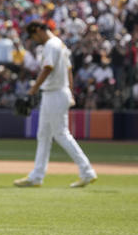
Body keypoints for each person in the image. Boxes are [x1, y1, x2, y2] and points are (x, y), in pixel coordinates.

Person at [14, 21, 98, 188]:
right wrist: (70, 92)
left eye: (33, 35)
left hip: (54, 93)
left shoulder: (50, 45)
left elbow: (47, 68)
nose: (34, 39)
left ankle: (87, 171)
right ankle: (37, 175)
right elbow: (68, 70)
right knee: (43, 135)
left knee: (61, 134)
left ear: (38, 30)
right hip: (56, 93)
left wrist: (32, 90)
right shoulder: (60, 44)